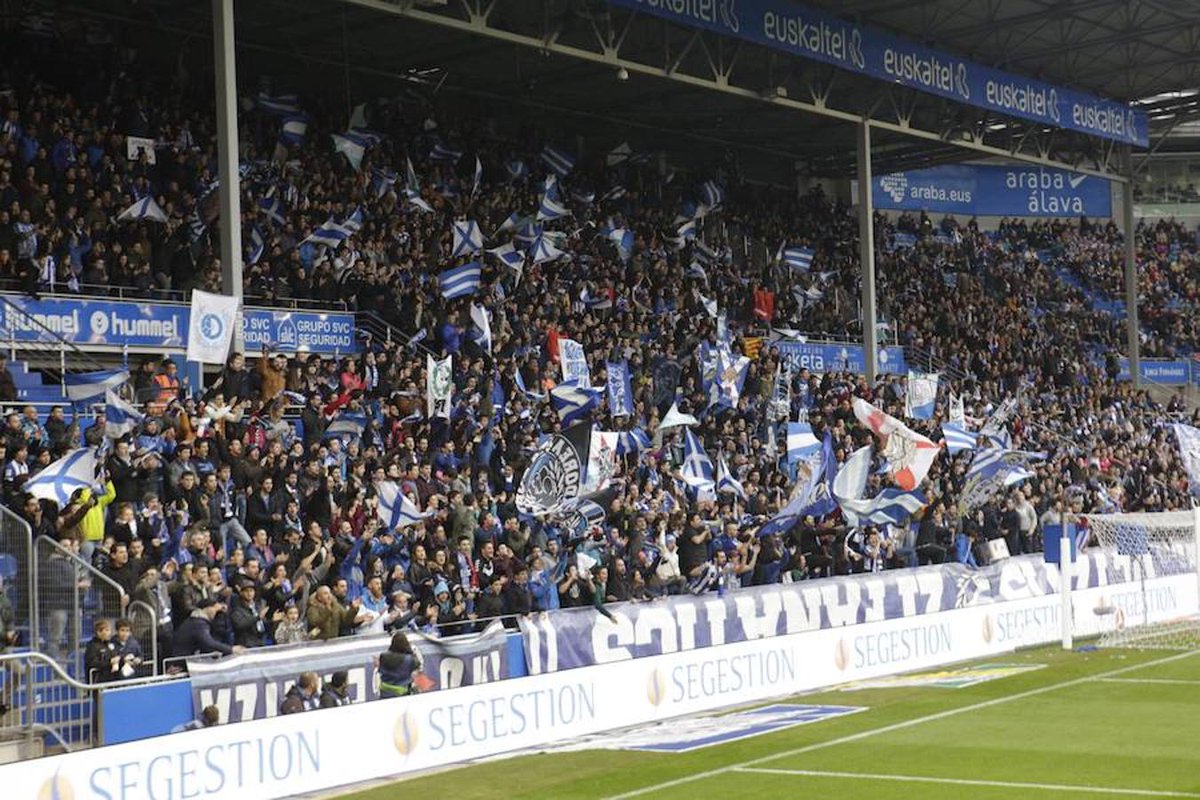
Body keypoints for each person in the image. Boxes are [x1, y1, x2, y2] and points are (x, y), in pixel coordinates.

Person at [171, 597, 243, 659]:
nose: (215, 612)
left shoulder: (196, 620)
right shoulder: (198, 623)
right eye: (214, 609)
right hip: (182, 660)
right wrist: (231, 649)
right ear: (208, 608)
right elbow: (208, 642)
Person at [377, 631, 421, 699]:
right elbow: (417, 666)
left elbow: (380, 670)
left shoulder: (383, 656)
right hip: (402, 693)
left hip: (384, 692)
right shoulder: (409, 659)